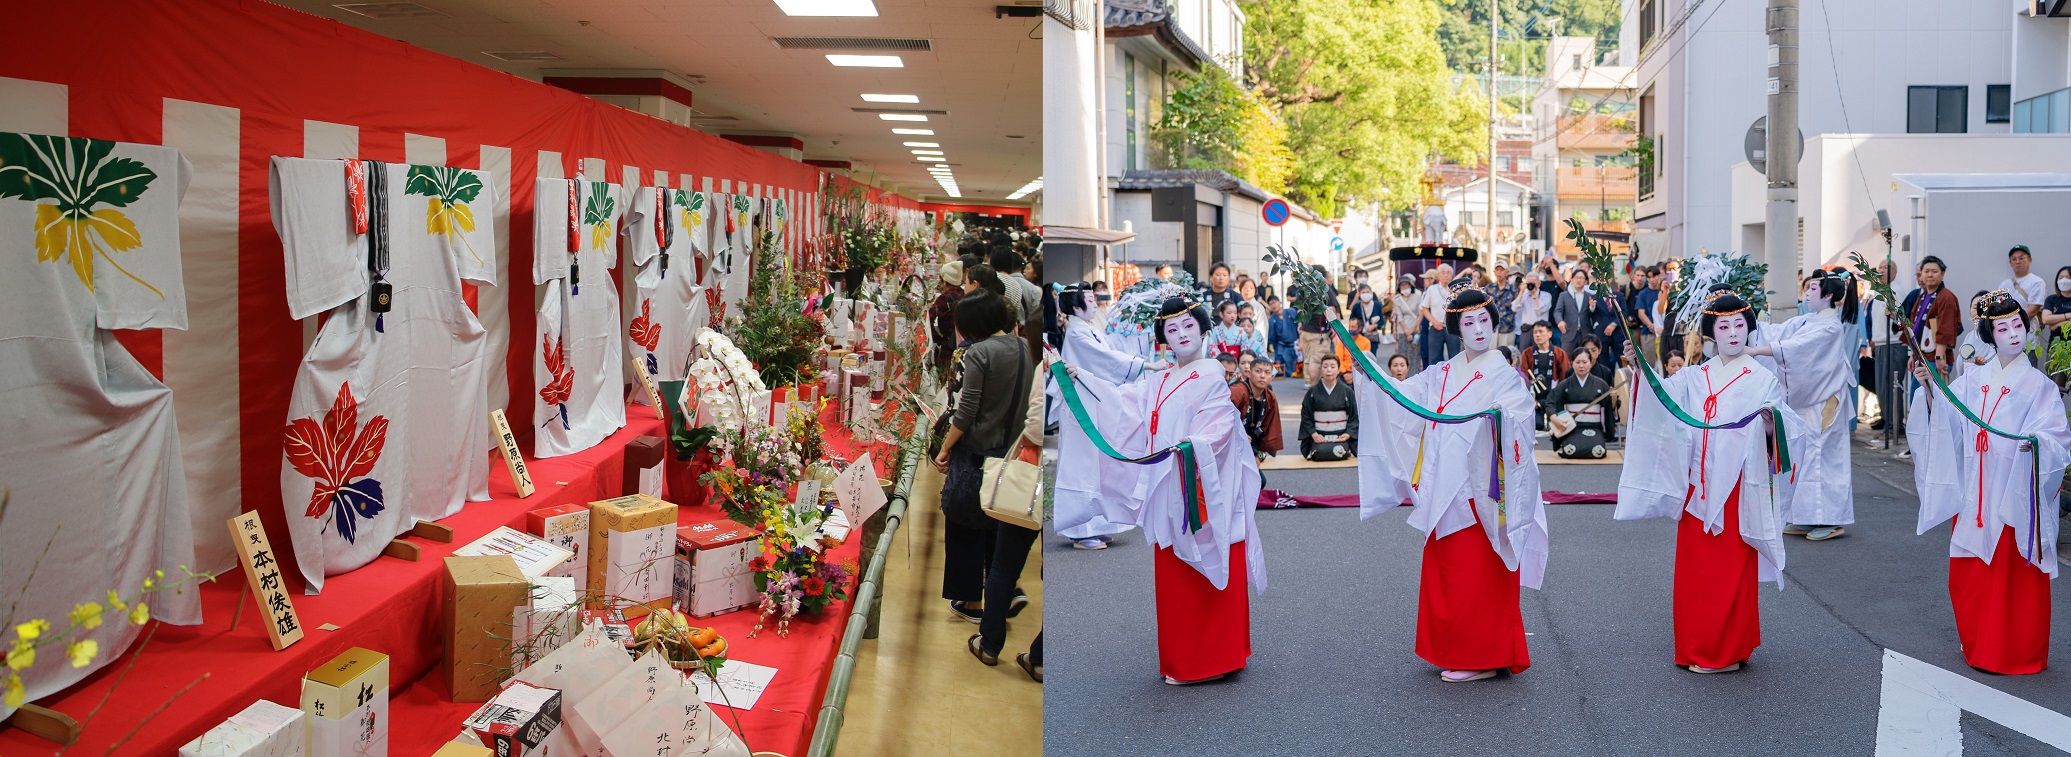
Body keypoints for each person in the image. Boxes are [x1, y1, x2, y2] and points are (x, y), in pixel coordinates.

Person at [1056, 295, 1266, 685]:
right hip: (1170, 484)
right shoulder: (1160, 379)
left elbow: (1220, 430)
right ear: (1163, 340)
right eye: (1172, 330)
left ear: (1204, 330)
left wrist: (1190, 447)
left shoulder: (1212, 377)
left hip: (1200, 485)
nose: (1182, 335)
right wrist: (1081, 379)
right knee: (1177, 579)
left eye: (1188, 327)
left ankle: (1219, 656)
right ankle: (1189, 659)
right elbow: (1123, 405)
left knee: (1211, 560)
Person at [1353, 285, 1548, 683]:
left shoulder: (1506, 377)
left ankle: (1482, 655)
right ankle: (1457, 650)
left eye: (1484, 321)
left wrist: (1497, 421)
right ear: (1458, 329)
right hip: (1444, 483)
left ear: (1494, 324)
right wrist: (1371, 373)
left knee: (1479, 574)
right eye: (1469, 322)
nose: (1478, 329)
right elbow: (1405, 398)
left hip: (1482, 490)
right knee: (1452, 573)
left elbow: (1520, 421)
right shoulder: (1441, 372)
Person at [1617, 286, 1808, 674]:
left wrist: (1773, 425)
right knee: (1696, 570)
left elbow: (1789, 428)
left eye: (1740, 324)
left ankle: (1727, 647)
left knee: (1729, 570)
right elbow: (1662, 400)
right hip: (1697, 483)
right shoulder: (1692, 376)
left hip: (1738, 485)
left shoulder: (1761, 380)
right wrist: (1640, 368)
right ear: (1711, 333)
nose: (1733, 333)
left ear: (1749, 329)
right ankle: (1695, 645)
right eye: (1724, 326)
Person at [1906, 289, 2069, 675]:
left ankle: (2016, 651)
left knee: (2013, 574)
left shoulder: (2039, 385)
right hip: (1976, 485)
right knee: (1971, 575)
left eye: (2018, 325)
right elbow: (1949, 419)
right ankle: (1978, 643)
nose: (2013, 333)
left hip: (2014, 485)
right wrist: (1930, 386)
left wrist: (2035, 444)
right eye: (2002, 328)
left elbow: (2057, 435)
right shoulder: (1973, 377)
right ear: (1989, 335)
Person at [933, 289, 1035, 623]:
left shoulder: (978, 353)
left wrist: (945, 448)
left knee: (964, 525)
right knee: (997, 523)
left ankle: (971, 601)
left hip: (975, 451)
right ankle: (1004, 592)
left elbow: (966, 412)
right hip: (1009, 451)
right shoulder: (1022, 345)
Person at [1746, 269, 1861, 542]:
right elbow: (1779, 332)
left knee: (1822, 459)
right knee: (1806, 456)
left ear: (1828, 294)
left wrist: (1757, 351)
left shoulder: (1830, 326)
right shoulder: (1812, 319)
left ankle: (1831, 519)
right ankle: (1806, 517)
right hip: (1812, 401)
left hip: (1825, 402)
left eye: (1812, 289)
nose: (1807, 292)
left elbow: (1796, 348)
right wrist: (1747, 319)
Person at [970, 345, 1049, 671]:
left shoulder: (1050, 364)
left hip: (1036, 476)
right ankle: (1041, 659)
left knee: (1005, 564)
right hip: (1072, 479)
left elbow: (1035, 427)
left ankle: (989, 644)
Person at [1052, 287, 1148, 550]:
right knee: (1082, 463)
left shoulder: (1087, 328)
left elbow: (1111, 354)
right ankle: (1080, 529)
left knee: (1100, 462)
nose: (1096, 304)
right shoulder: (1077, 332)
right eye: (1091, 300)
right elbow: (1107, 359)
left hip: (1095, 397)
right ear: (1075, 307)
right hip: (1081, 403)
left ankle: (1098, 523)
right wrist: (1144, 365)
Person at [1545, 347, 1613, 459]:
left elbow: (1610, 406)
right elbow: (1551, 401)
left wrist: (1613, 399)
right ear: (1572, 363)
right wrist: (1554, 419)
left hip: (1594, 427)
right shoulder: (1566, 384)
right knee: (1570, 451)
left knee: (1598, 451)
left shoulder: (1601, 384)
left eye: (1585, 362)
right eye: (1577, 362)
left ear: (1591, 363)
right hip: (1572, 427)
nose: (1581, 366)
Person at [1901, 256, 1961, 373]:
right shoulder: (1922, 297)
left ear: (1942, 274)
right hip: (1921, 356)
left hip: (1935, 358)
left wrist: (1939, 356)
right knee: (1918, 392)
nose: (1930, 275)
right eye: (1926, 271)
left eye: (1934, 271)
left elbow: (1945, 328)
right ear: (1921, 274)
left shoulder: (1946, 297)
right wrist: (1913, 355)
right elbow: (1915, 326)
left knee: (1933, 391)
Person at [1300, 354, 1357, 461]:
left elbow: (1354, 416)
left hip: (1341, 436)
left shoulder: (1347, 391)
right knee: (1321, 452)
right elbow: (1305, 415)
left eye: (1332, 366)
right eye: (1325, 367)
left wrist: (1348, 434)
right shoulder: (1312, 392)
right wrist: (1314, 434)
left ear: (1338, 370)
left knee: (1338, 449)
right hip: (1320, 437)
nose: (1329, 370)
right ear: (1321, 369)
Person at [1515, 321, 1570, 431]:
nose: (1537, 335)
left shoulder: (1559, 353)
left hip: (1554, 398)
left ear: (1549, 334)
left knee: (1555, 426)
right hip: (1535, 398)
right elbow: (1524, 379)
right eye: (1535, 332)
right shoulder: (1527, 353)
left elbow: (1565, 377)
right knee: (1538, 425)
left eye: (1541, 332)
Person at [1230, 358, 1283, 463]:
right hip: (1232, 443)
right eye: (1258, 371)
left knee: (1259, 479)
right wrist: (1239, 433)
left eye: (1267, 372)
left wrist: (1258, 454)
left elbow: (1269, 427)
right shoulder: (1237, 392)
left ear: (1271, 377)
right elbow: (1223, 419)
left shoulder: (1269, 396)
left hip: (1252, 443)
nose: (1262, 376)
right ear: (1249, 373)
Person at [1298, 272, 1335, 385]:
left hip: (1306, 330)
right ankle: (1314, 385)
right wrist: (1335, 328)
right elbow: (1331, 310)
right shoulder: (1324, 290)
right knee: (1317, 360)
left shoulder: (1304, 289)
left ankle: (1308, 382)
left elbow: (1300, 310)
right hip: (1318, 332)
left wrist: (1300, 324)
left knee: (1308, 359)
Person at [1552, 268, 1601, 352]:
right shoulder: (1564, 295)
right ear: (1572, 279)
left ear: (1586, 281)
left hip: (1585, 333)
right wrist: (1560, 321)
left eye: (1581, 278)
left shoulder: (1590, 296)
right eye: (1576, 277)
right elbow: (1557, 311)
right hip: (1568, 332)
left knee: (1586, 357)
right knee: (1566, 360)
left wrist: (1592, 307)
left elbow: (1592, 314)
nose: (1578, 280)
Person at [928, 260, 965, 372]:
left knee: (943, 378)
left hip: (947, 346)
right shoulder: (964, 295)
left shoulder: (945, 298)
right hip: (961, 345)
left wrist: (936, 338)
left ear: (944, 282)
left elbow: (928, 319)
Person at [1419, 264, 1457, 367]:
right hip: (1435, 327)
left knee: (1455, 357)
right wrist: (1434, 322)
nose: (1445, 275)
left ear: (1452, 275)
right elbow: (1425, 308)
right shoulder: (1432, 289)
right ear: (1438, 275)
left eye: (1448, 273)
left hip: (1452, 328)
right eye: (1443, 273)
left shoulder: (1456, 290)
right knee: (1434, 359)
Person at [2000, 245, 2046, 326]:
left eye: (2021, 258)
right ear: (2010, 263)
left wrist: (2013, 324)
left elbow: (2032, 311)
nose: (2017, 262)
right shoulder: (2004, 284)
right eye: (2014, 259)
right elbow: (1999, 308)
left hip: (2028, 331)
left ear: (2030, 260)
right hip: (2007, 331)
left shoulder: (2037, 282)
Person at [1391, 276, 1424, 371]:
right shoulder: (1398, 299)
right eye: (1402, 285)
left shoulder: (1418, 297)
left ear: (1411, 285)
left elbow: (1420, 313)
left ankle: (1415, 375)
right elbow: (1399, 316)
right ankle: (1403, 377)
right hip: (1403, 330)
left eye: (1406, 284)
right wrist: (1406, 331)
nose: (1404, 287)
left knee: (1415, 355)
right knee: (1402, 355)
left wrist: (1413, 328)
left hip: (1415, 329)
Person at [1634, 266, 1664, 368]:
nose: (1652, 280)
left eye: (1654, 276)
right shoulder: (1643, 294)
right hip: (1648, 333)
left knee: (1663, 362)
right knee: (1649, 364)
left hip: (1663, 332)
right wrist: (1651, 326)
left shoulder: (1663, 292)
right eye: (1649, 277)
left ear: (1659, 275)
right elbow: (1641, 313)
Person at [1266, 295, 1300, 377]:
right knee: (1280, 371)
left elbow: (1299, 325)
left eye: (1274, 302)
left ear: (1280, 302)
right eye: (1270, 304)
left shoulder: (1291, 312)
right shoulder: (1271, 319)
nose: (1273, 305)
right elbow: (1272, 337)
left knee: (1298, 369)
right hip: (1281, 347)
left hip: (1295, 345)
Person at [1349, 285, 1384, 350]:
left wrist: (1375, 325)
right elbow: (1352, 319)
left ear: (1371, 293)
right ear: (1359, 294)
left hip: (1373, 337)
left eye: (1368, 292)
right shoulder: (1357, 306)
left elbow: (1382, 321)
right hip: (1359, 336)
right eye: (1363, 292)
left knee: (1372, 357)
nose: (1366, 294)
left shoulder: (1377, 305)